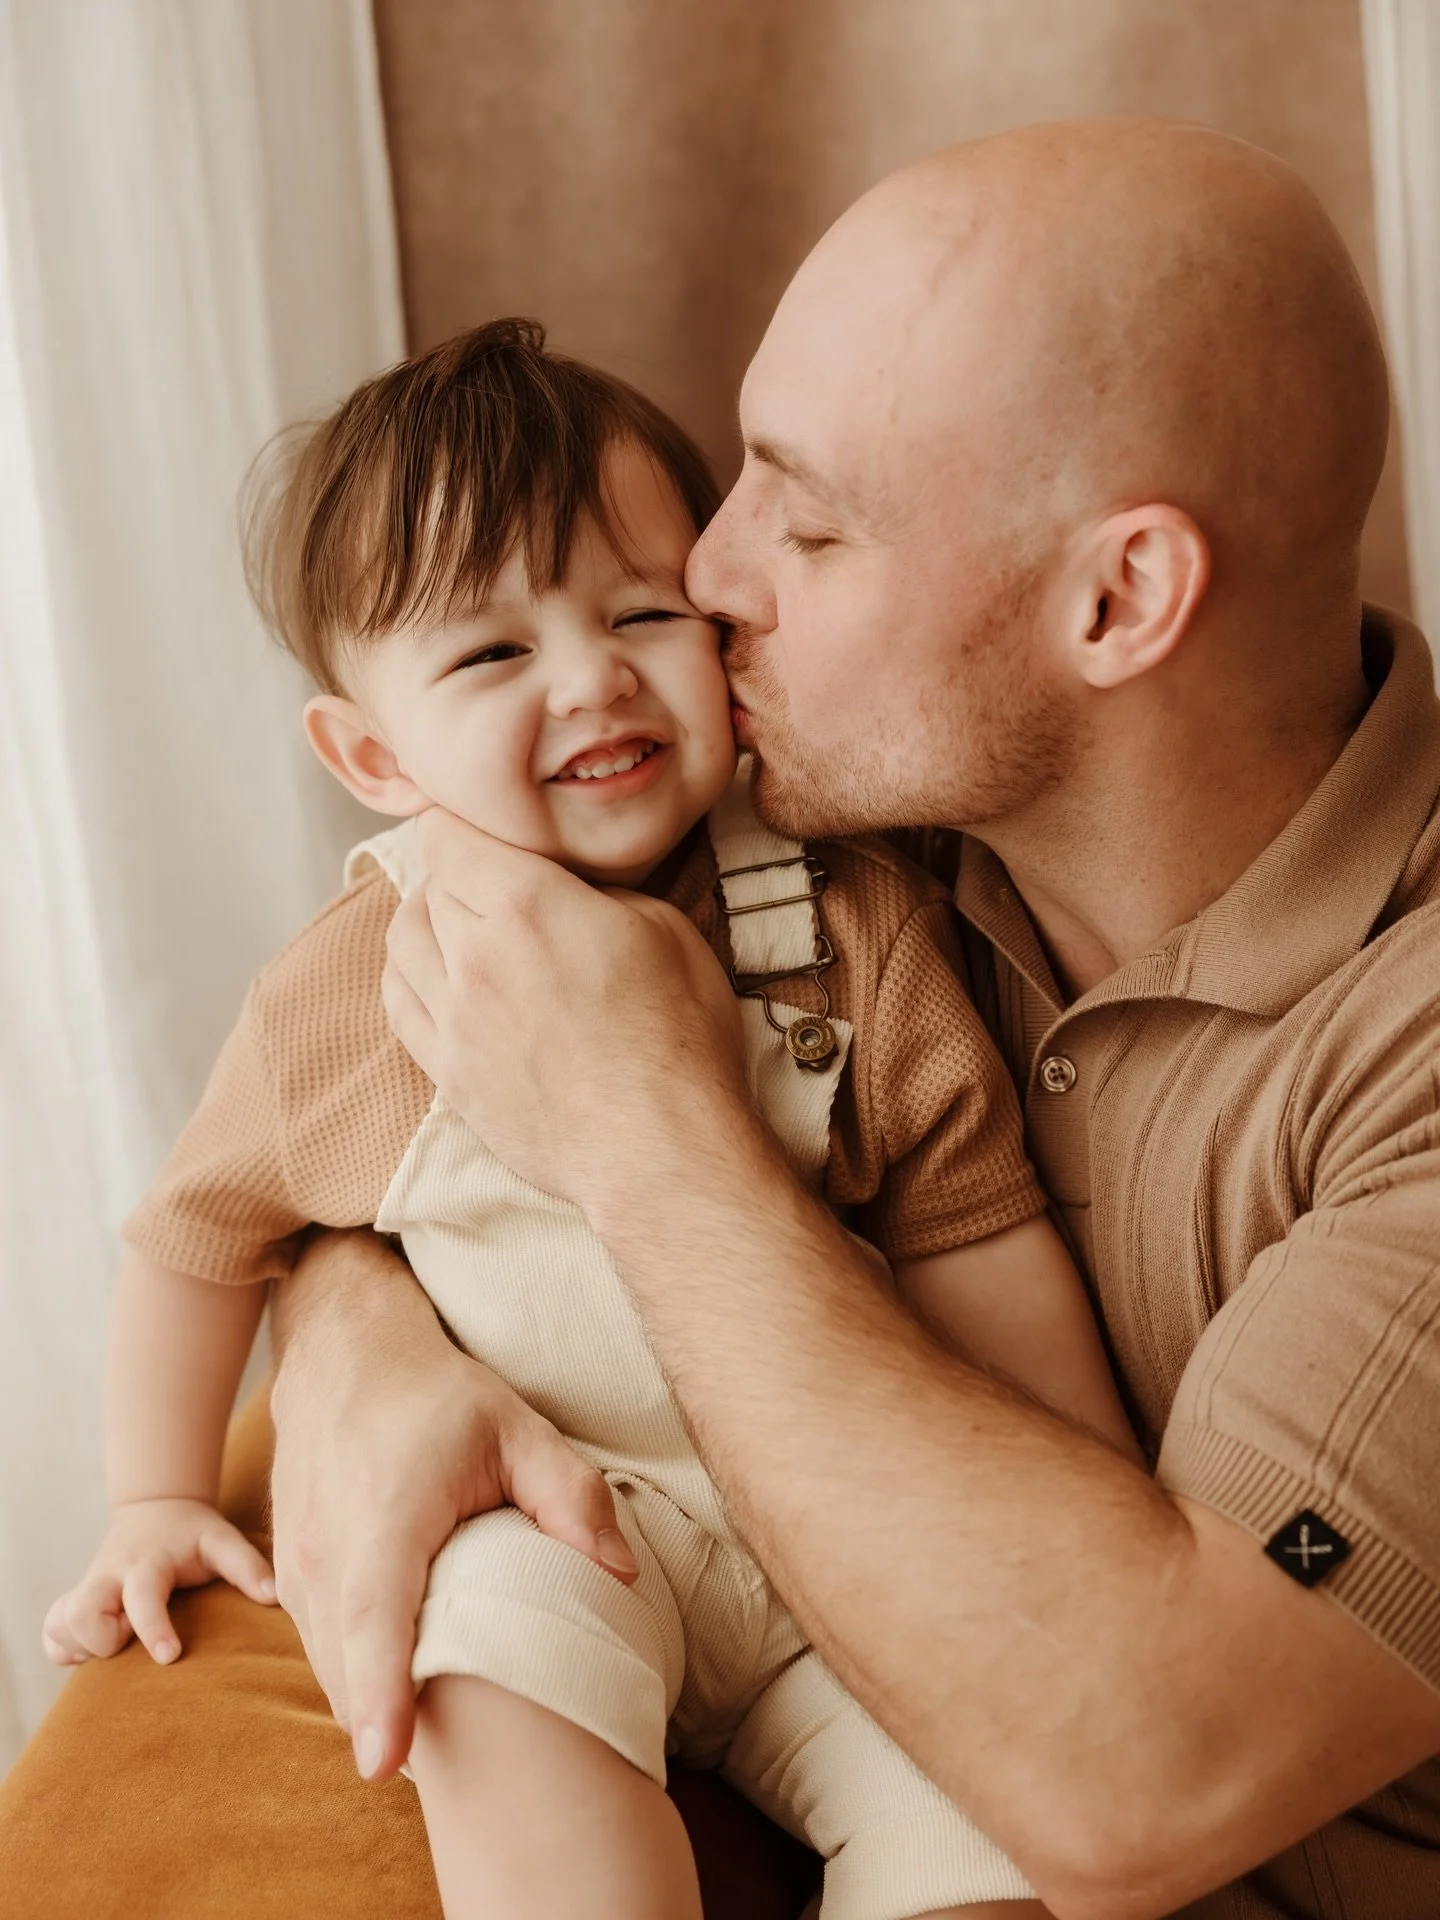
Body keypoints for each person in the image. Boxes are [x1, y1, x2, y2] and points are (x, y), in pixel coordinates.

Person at [273, 119, 1440, 1920]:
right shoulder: (853, 837)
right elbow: (358, 1102)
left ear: (1118, 599)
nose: (706, 579)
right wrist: (361, 1320)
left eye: (807, 522)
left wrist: (651, 1136)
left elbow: (1136, 1780)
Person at [39, 318, 1138, 1919]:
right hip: (560, 1521)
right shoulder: (351, 990)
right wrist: (156, 1496)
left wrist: (1075, 1501)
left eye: (642, 612)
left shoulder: (854, 927)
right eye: (492, 654)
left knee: (994, 1818)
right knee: (479, 1659)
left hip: (854, 1541)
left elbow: (974, 1221)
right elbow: (199, 1238)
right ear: (370, 752)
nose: (593, 676)